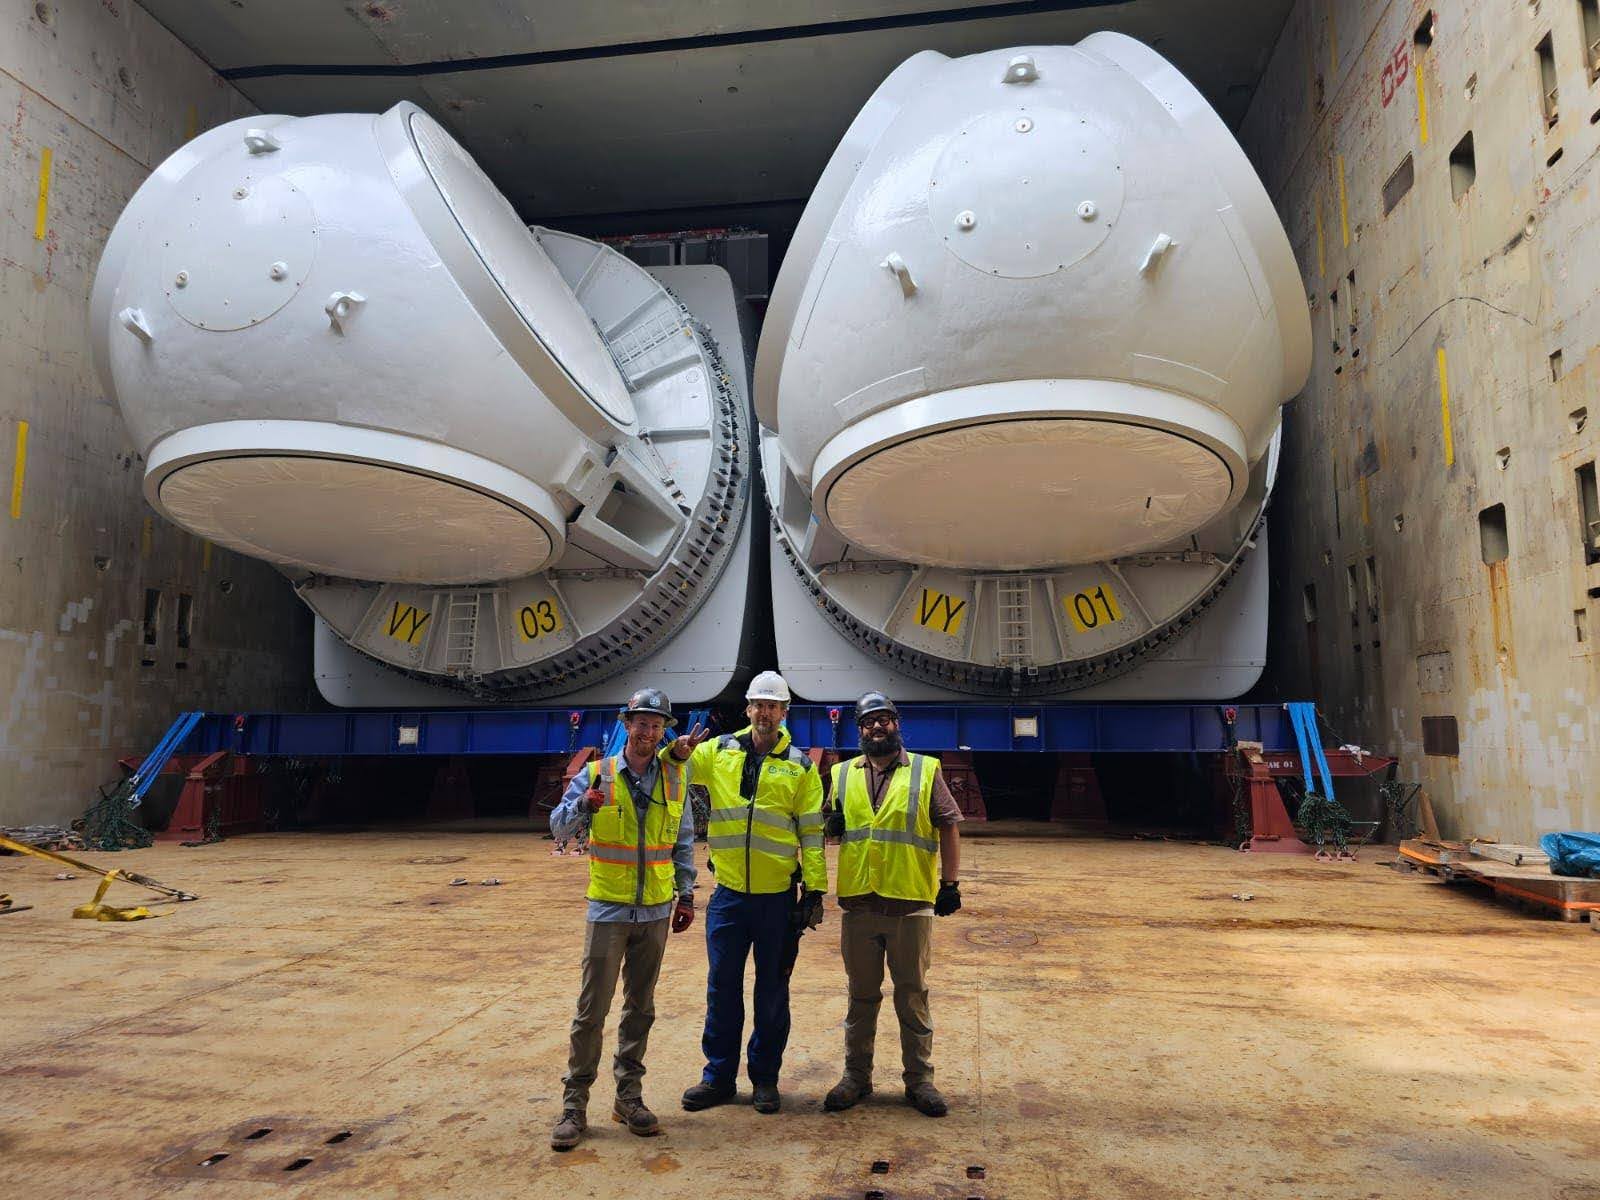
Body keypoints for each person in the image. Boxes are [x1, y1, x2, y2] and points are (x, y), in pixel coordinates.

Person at [547, 687, 711, 1151]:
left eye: (657, 725)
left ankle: (628, 1098)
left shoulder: (673, 779)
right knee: (590, 1013)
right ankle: (574, 1107)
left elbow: (681, 844)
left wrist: (685, 897)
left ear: (664, 732)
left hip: (656, 912)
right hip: (609, 911)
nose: (648, 731)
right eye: (641, 723)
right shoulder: (598, 775)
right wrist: (584, 805)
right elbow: (557, 827)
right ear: (627, 724)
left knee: (640, 1009)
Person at [677, 670, 826, 1115]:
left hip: (777, 899)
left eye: (773, 706)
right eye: (759, 705)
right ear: (748, 709)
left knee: (772, 992)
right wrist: (675, 747)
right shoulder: (719, 752)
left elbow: (812, 833)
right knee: (722, 988)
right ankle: (718, 1078)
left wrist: (814, 891)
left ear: (784, 713)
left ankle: (764, 1079)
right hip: (728, 897)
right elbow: (678, 764)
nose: (765, 713)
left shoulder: (800, 766)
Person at [823, 691, 963, 1118]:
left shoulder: (924, 769)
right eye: (868, 722)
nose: (876, 727)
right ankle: (856, 1078)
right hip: (860, 906)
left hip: (909, 906)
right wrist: (832, 825)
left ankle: (920, 1082)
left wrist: (950, 884)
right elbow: (832, 831)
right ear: (859, 730)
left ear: (896, 724)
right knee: (860, 998)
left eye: (884, 719)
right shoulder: (843, 773)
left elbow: (948, 825)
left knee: (912, 998)